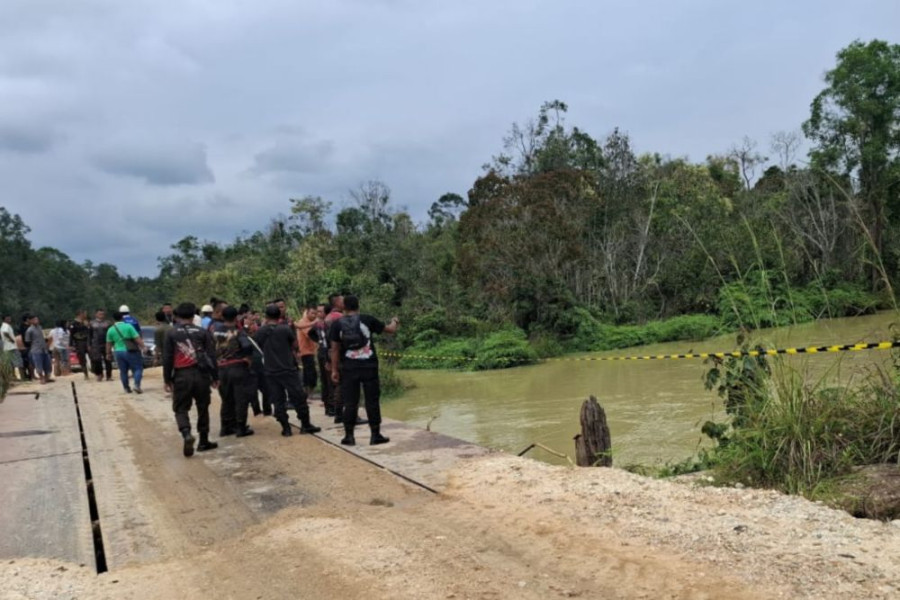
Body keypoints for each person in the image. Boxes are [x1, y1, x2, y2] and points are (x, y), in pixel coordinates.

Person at [329, 295, 399, 446]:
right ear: (358, 306)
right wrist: (395, 321)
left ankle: (349, 436)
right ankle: (375, 435)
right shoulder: (368, 319)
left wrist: (334, 370)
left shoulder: (337, 324)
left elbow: (334, 349)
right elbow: (390, 330)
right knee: (372, 401)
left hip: (348, 368)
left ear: (344, 308)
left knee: (350, 402)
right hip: (369, 367)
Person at [254, 304, 320, 437]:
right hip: (288, 369)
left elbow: (257, 347)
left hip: (270, 371)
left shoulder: (260, 332)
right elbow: (294, 345)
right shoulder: (285, 329)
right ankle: (305, 425)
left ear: (266, 316)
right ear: (279, 316)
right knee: (299, 397)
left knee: (278, 400)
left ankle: (286, 428)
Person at [162, 302, 219, 457]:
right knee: (203, 407)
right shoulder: (203, 332)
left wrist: (167, 379)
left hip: (181, 376)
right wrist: (215, 377)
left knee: (180, 408)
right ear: (194, 315)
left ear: (177, 316)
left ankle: (186, 433)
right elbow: (212, 356)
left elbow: (167, 358)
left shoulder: (171, 333)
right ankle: (203, 441)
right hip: (201, 375)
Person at [211, 306, 255, 437]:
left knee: (226, 399)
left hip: (221, 369)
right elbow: (247, 345)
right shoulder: (238, 331)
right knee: (241, 399)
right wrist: (247, 358)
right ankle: (241, 427)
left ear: (222, 317)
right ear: (236, 317)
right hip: (237, 367)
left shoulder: (214, 331)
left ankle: (225, 427)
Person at [106, 311, 144, 394]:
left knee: (123, 371)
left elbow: (109, 343)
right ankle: (136, 385)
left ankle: (126, 388)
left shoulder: (110, 329)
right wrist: (143, 347)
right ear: (122, 317)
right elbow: (137, 338)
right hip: (130, 350)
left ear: (113, 319)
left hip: (118, 352)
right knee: (138, 368)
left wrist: (108, 354)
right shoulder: (128, 326)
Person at [310, 303, 334, 416]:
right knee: (327, 381)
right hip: (324, 353)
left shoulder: (326, 323)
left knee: (328, 381)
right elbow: (311, 334)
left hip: (326, 352)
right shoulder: (318, 324)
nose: (318, 314)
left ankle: (330, 406)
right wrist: (320, 342)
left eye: (320, 311)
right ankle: (329, 406)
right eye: (317, 311)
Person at [294, 304, 318, 397]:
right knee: (309, 373)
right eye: (312, 313)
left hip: (309, 351)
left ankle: (309, 393)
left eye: (315, 313)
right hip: (305, 351)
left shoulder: (307, 322)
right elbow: (310, 334)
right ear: (307, 313)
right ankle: (308, 394)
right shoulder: (304, 322)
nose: (314, 315)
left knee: (310, 373)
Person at [25, 314, 53, 384]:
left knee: (47, 364)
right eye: (34, 319)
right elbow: (27, 341)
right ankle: (41, 378)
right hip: (36, 350)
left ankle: (47, 377)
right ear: (30, 321)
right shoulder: (29, 330)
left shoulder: (40, 327)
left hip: (44, 348)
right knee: (38, 364)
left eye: (37, 319)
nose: (36, 321)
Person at [89, 309, 113, 381]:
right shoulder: (92, 323)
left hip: (106, 343)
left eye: (102, 314)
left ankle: (108, 376)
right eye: (100, 314)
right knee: (97, 360)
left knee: (108, 360)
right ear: (96, 314)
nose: (101, 315)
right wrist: (89, 344)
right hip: (95, 344)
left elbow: (111, 333)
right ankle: (99, 374)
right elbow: (89, 335)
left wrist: (112, 343)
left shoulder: (107, 323)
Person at [1, 315, 25, 380]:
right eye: (7, 319)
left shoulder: (3, 326)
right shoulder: (6, 326)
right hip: (12, 347)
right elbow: (5, 333)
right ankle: (23, 378)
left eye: (9, 318)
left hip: (7, 347)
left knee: (11, 364)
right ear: (4, 320)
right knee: (19, 362)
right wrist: (11, 339)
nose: (9, 320)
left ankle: (13, 377)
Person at [69, 311, 91, 380]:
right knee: (82, 359)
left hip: (87, 341)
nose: (85, 315)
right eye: (84, 314)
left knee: (92, 356)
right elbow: (71, 335)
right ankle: (85, 373)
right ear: (79, 315)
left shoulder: (86, 322)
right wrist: (71, 344)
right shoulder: (74, 324)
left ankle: (94, 369)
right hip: (79, 342)